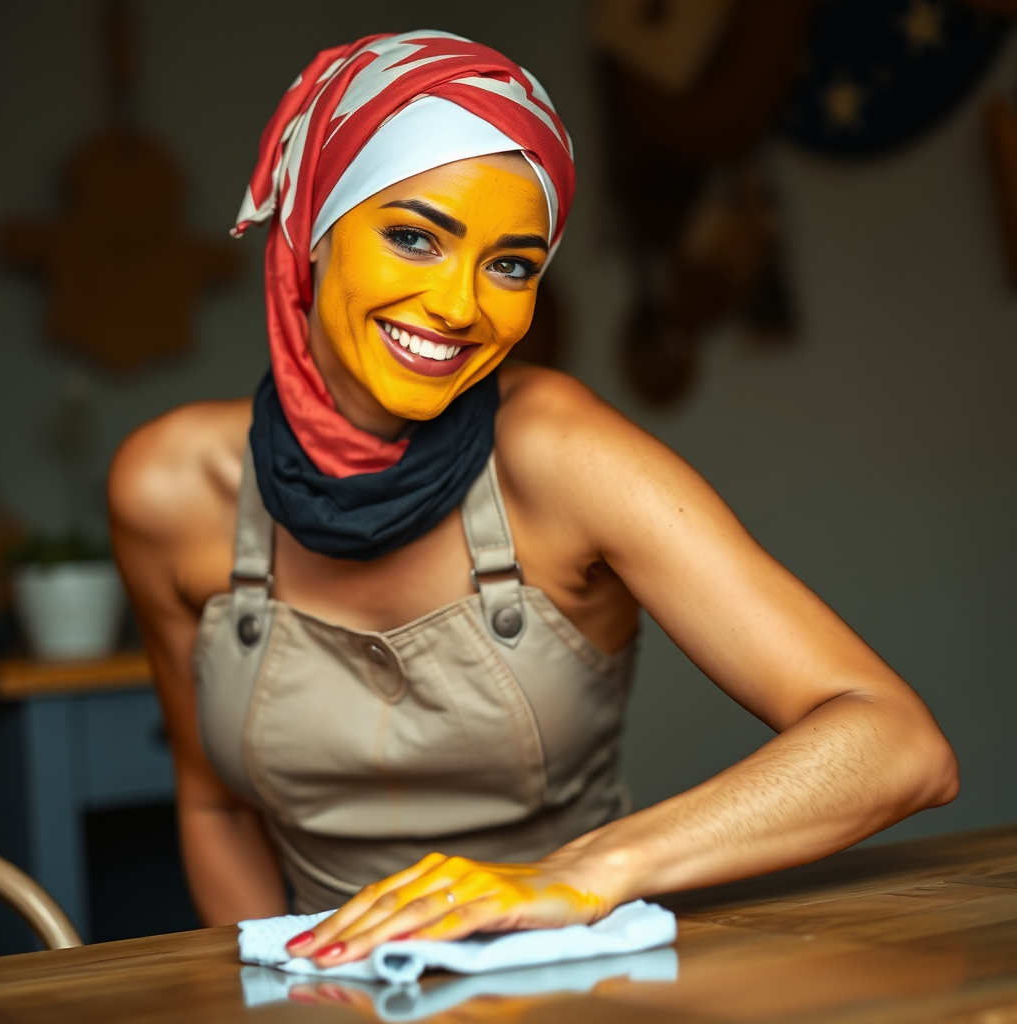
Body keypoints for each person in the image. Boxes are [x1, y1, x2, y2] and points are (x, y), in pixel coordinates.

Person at [109, 30, 958, 969]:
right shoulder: (171, 490)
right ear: (313, 219)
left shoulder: (561, 457)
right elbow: (213, 803)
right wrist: (297, 991)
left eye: (510, 264)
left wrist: (585, 873)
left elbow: (897, 743)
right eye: (414, 237)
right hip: (323, 981)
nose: (461, 305)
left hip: (577, 976)